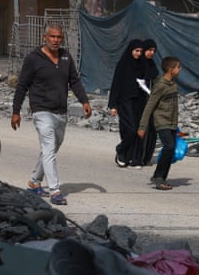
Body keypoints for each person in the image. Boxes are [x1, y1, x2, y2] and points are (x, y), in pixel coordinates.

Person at [11, 23, 92, 205]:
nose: (55, 40)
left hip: (61, 111)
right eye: (52, 37)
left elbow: (75, 81)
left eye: (58, 37)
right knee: (49, 147)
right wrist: (16, 111)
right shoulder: (33, 58)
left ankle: (34, 182)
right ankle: (55, 190)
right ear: (45, 37)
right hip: (41, 110)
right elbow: (22, 85)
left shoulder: (65, 57)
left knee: (52, 148)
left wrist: (84, 101)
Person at [138, 56, 181, 190]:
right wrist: (142, 126)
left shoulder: (173, 85)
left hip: (172, 122)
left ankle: (159, 175)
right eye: (178, 67)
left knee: (171, 148)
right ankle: (159, 178)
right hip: (161, 121)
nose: (180, 70)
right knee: (168, 147)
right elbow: (149, 106)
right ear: (170, 69)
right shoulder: (160, 86)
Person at [108, 39, 146, 168]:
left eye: (141, 51)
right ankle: (121, 149)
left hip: (138, 101)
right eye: (136, 51)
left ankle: (133, 157)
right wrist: (112, 105)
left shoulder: (142, 65)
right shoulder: (123, 64)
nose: (139, 54)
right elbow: (116, 85)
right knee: (131, 129)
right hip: (124, 101)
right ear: (131, 50)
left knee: (138, 130)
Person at [141, 39, 159, 166]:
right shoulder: (137, 64)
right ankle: (138, 156)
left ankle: (146, 157)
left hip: (151, 101)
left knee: (152, 130)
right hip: (140, 102)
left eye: (153, 51)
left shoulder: (152, 64)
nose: (151, 53)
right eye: (149, 50)